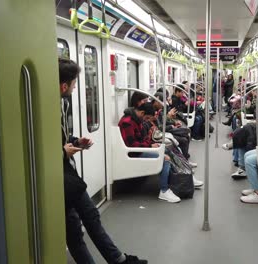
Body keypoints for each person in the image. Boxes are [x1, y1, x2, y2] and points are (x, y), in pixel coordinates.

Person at [59, 58, 147, 264]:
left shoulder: (61, 104)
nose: (74, 88)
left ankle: (117, 259)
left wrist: (75, 142)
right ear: (64, 85)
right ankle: (118, 260)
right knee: (89, 218)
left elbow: (59, 140)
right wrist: (64, 153)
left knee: (74, 231)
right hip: (62, 177)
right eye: (73, 84)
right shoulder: (47, 108)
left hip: (65, 175)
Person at [118, 101, 181, 203]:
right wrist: (149, 145)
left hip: (140, 149)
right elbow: (131, 145)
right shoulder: (127, 122)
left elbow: (144, 138)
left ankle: (183, 177)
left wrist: (152, 144)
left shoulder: (137, 120)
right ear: (142, 113)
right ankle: (164, 190)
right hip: (133, 153)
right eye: (147, 118)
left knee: (168, 149)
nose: (146, 121)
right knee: (165, 159)